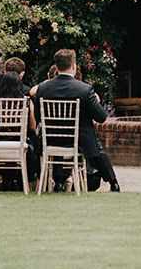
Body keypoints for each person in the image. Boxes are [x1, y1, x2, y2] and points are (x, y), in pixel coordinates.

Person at [34, 48, 120, 192]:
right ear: (73, 66)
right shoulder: (84, 89)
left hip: (50, 140)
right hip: (80, 142)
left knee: (61, 138)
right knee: (95, 144)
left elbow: (37, 117)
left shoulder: (43, 88)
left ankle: (60, 182)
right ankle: (113, 182)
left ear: (57, 67)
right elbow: (101, 117)